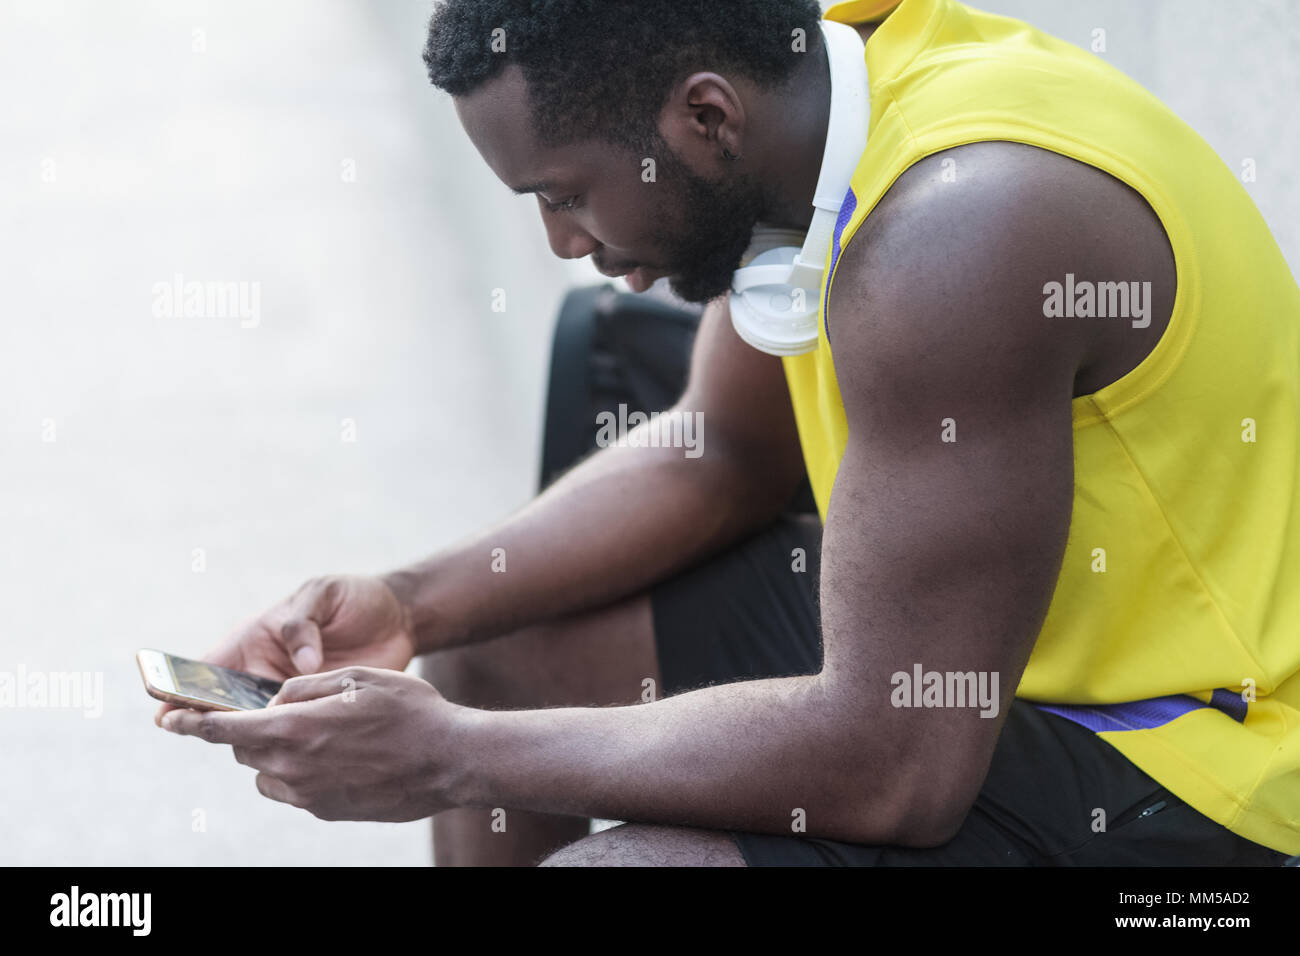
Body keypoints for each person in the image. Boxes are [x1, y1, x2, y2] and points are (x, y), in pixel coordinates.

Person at [157, 0, 1300, 866]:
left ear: (703, 117)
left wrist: (446, 751)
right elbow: (722, 451)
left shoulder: (959, 237)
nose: (563, 243)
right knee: (495, 653)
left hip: (1204, 781)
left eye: (564, 192)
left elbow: (898, 763)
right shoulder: (815, 89)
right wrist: (408, 600)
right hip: (966, 676)